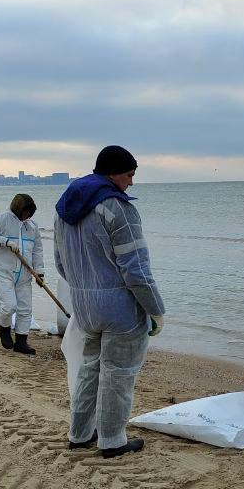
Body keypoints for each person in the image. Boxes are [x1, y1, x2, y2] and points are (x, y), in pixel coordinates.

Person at [55, 145, 165, 459]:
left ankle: (79, 433)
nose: (131, 182)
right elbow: (137, 269)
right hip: (120, 308)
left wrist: (84, 288)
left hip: (85, 305)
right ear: (113, 173)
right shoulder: (116, 207)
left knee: (89, 369)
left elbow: (61, 263)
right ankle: (113, 439)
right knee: (119, 373)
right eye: (129, 175)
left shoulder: (65, 207)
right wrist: (156, 311)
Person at [0, 193, 44, 355]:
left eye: (31, 213)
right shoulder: (1, 220)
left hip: (24, 273)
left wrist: (40, 272)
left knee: (25, 309)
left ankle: (21, 342)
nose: (28, 216)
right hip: (3, 271)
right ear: (18, 208)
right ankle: (4, 329)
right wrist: (5, 242)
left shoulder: (32, 226)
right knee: (9, 305)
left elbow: (37, 251)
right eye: (26, 212)